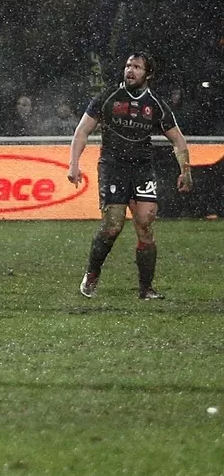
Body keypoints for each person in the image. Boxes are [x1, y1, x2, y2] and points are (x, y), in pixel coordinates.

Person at [70, 53, 191, 300]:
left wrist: (185, 170)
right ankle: (92, 274)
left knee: (145, 222)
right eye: (128, 66)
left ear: (148, 74)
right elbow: (82, 130)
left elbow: (178, 140)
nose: (130, 71)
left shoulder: (155, 104)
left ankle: (146, 289)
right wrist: (74, 164)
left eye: (136, 67)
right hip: (113, 166)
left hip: (142, 167)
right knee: (113, 226)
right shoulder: (108, 98)